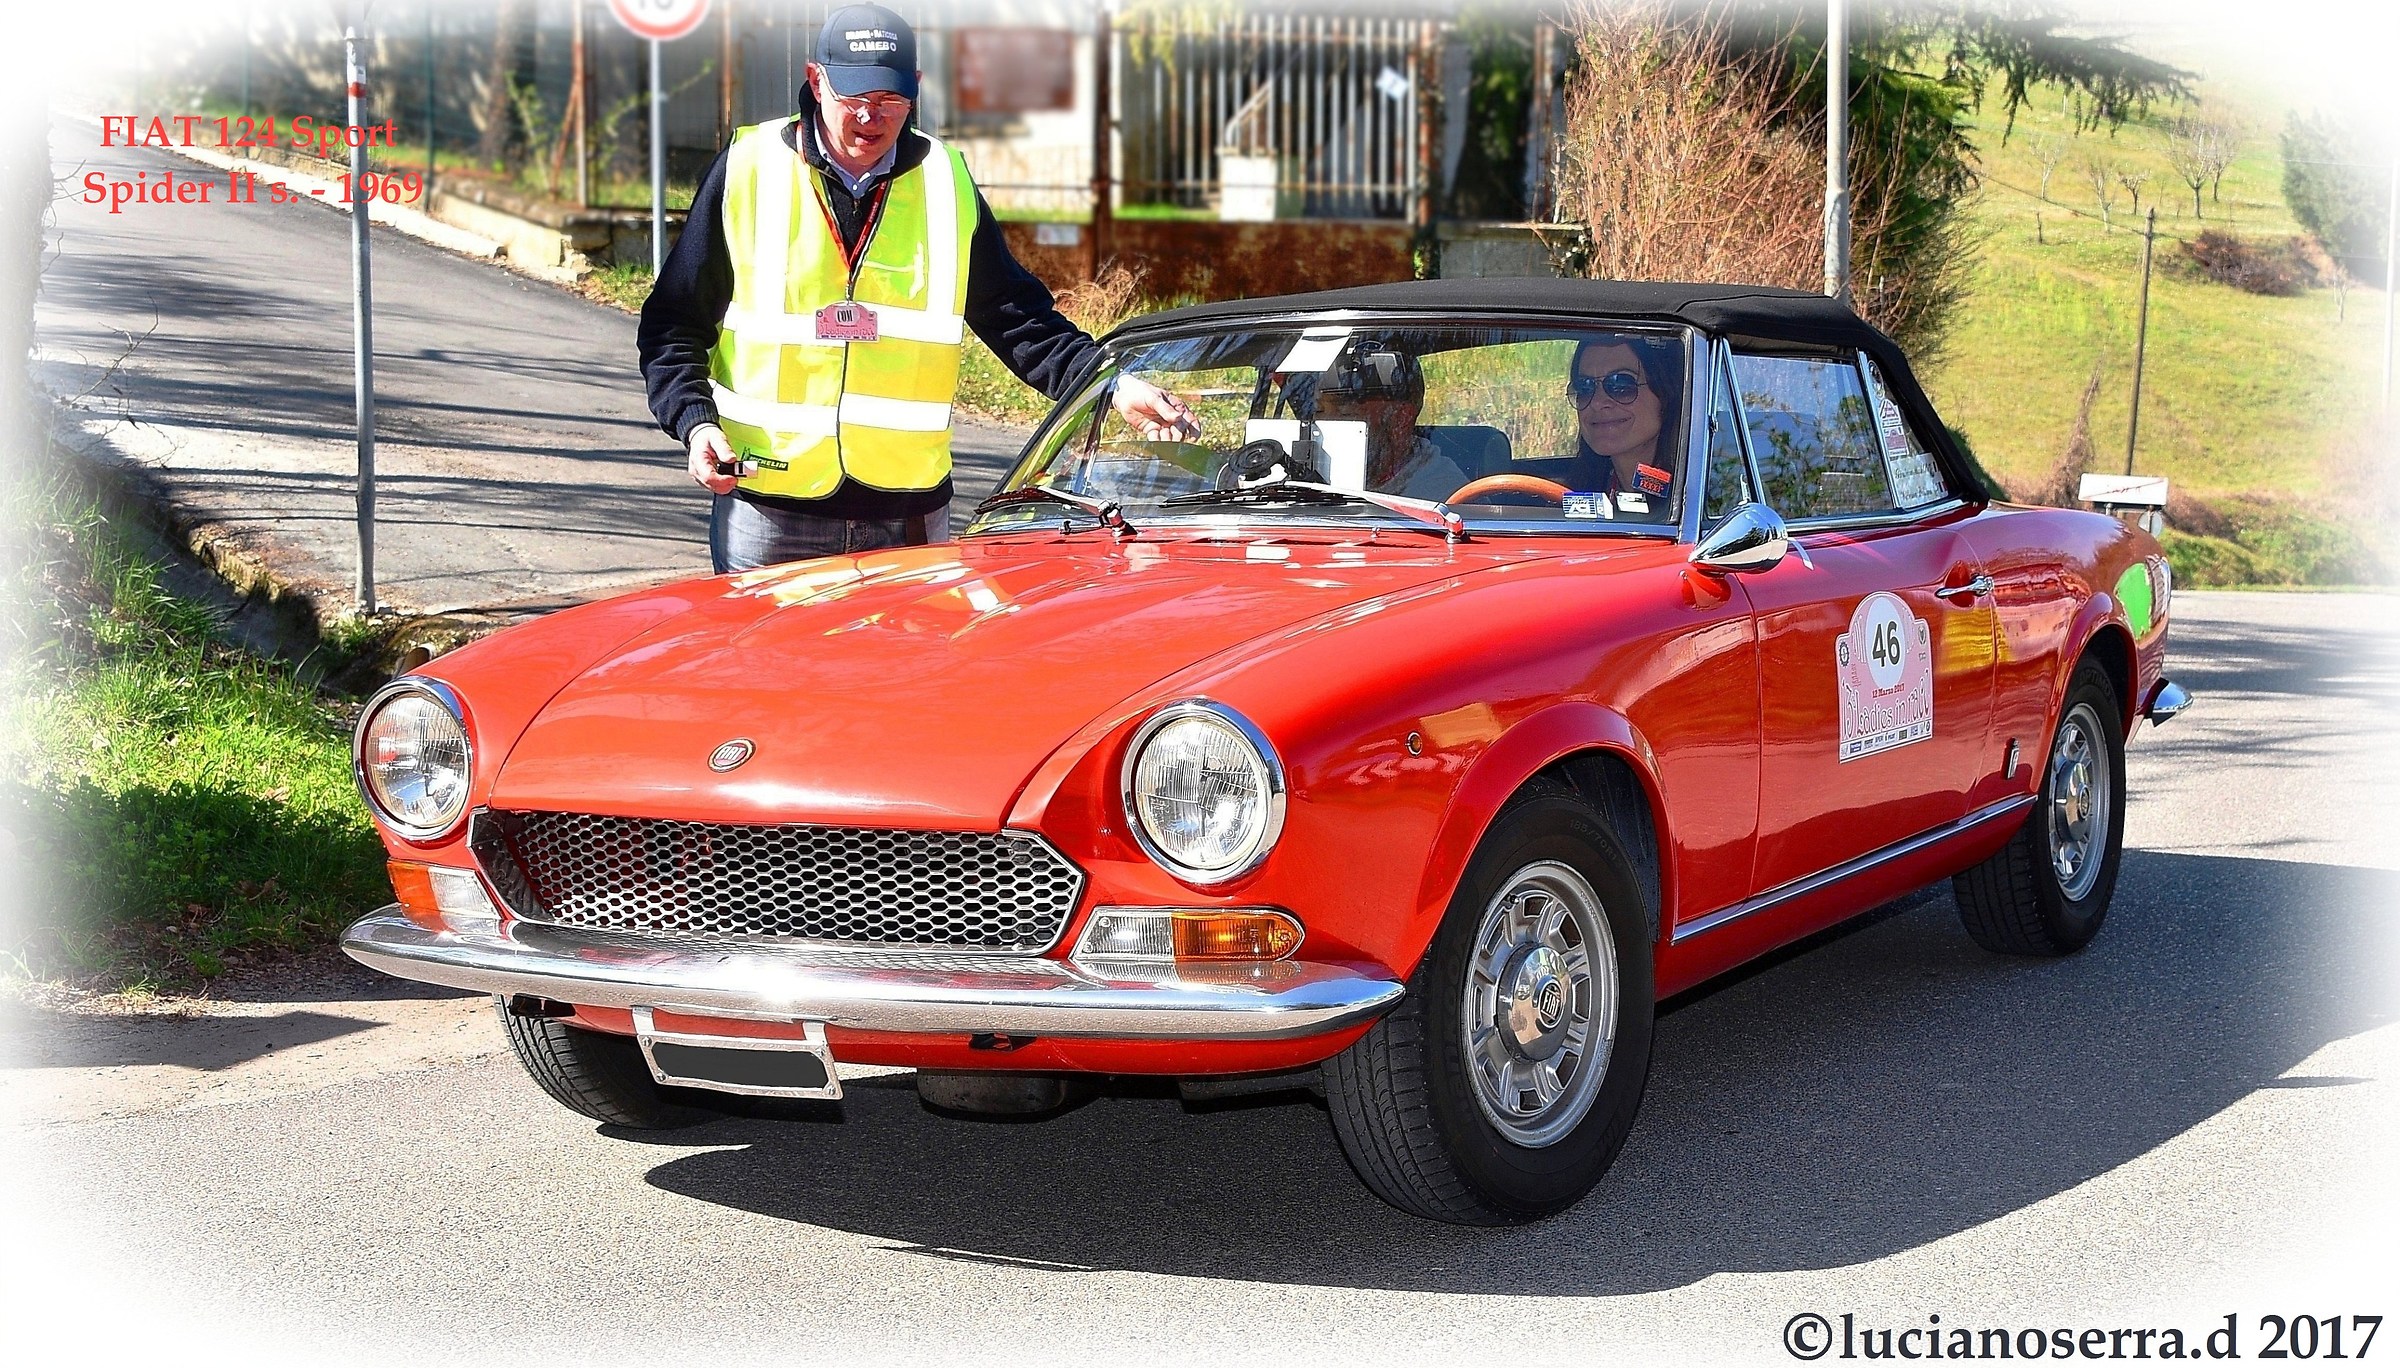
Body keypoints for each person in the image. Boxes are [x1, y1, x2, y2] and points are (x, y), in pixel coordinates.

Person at [637, 4, 1194, 573]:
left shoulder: (946, 182)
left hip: (907, 517)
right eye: (854, 98)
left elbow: (1018, 318)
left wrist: (1109, 385)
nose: (869, 118)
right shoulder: (748, 170)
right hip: (770, 509)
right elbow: (673, 324)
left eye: (890, 101)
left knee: (911, 666)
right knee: (763, 665)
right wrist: (695, 422)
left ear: (916, 90)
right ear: (815, 80)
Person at [1282, 343, 1473, 502]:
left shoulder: (1445, 497)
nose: (1323, 424)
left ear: (1400, 419)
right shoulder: (1302, 480)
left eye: (1346, 414)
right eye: (1319, 411)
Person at [1559, 335, 1683, 521]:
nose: (1597, 403)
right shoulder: (1581, 489)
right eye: (1584, 387)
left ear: (1665, 394)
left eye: (1621, 385)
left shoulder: (1695, 497)